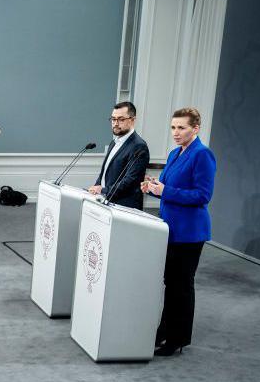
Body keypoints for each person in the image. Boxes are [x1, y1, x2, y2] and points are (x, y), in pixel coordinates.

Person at [142, 107, 215, 356]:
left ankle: (177, 339)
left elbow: (202, 196)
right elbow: (168, 187)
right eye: (173, 127)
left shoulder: (202, 154)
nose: (176, 132)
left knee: (181, 285)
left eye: (181, 127)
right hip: (170, 229)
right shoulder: (175, 153)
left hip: (190, 232)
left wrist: (165, 191)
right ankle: (164, 331)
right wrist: (152, 187)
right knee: (170, 283)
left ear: (195, 128)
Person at [88, 101, 149, 210]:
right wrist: (96, 190)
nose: (115, 123)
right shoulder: (114, 142)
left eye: (121, 119)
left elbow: (130, 181)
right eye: (113, 119)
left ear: (132, 120)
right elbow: (104, 173)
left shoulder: (139, 146)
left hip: (124, 206)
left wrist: (102, 190)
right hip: (105, 201)